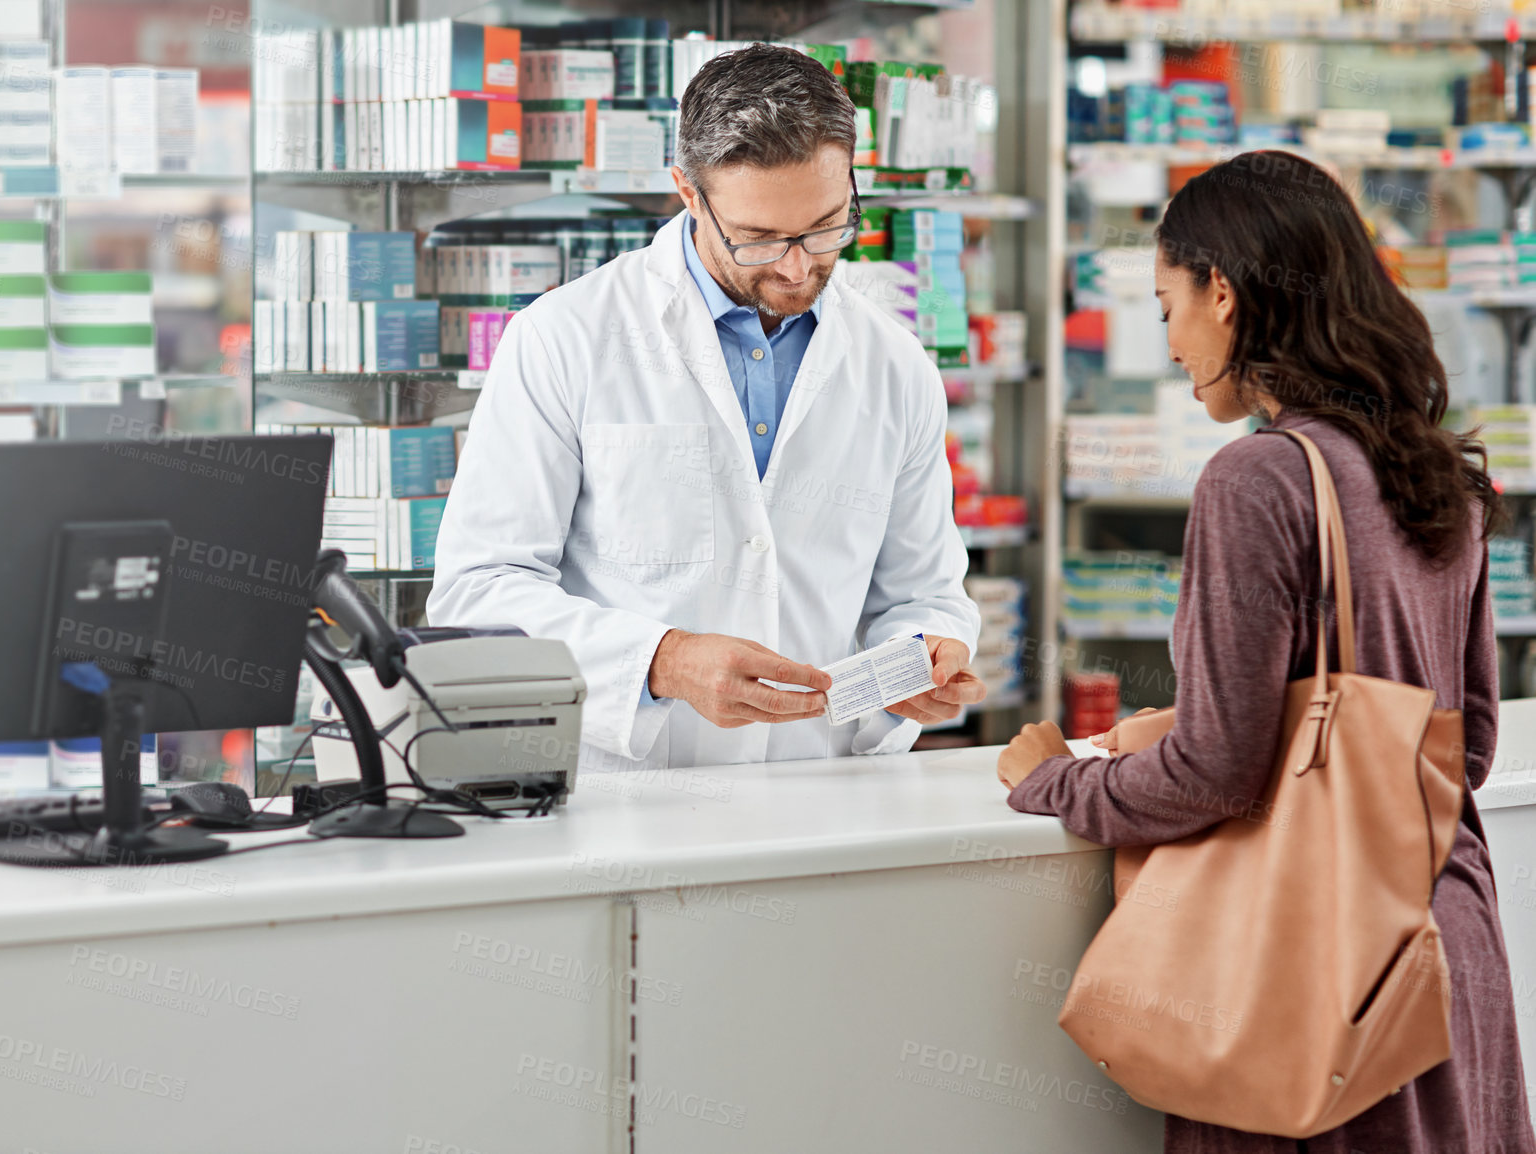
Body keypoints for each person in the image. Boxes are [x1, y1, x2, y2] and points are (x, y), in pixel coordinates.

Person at [996, 151, 1536, 1154]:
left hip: (1309, 967)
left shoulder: (1258, 478)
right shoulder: (1443, 471)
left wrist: (1057, 782)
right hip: (1442, 951)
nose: (1167, 343)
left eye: (1166, 305)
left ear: (1225, 294)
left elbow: (1218, 776)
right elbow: (1459, 750)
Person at [429, 43, 985, 773]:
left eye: (825, 228)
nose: (796, 265)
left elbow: (924, 593)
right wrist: (662, 663)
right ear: (688, 193)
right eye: (759, 239)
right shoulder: (565, 338)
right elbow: (478, 592)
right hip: (623, 804)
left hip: (822, 793)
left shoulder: (896, 365)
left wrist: (927, 654)